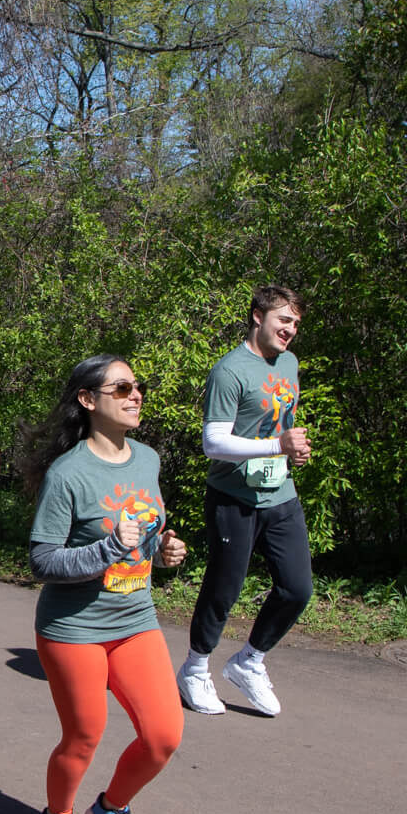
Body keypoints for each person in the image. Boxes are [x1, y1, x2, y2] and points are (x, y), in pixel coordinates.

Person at [24, 355, 188, 814]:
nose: (136, 395)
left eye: (137, 386)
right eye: (122, 388)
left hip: (136, 620)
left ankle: (112, 807)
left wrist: (163, 552)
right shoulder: (68, 474)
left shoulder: (148, 459)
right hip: (74, 628)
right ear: (89, 400)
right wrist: (106, 551)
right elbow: (42, 560)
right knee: (84, 734)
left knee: (163, 736)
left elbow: (146, 534)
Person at [178, 285, 313, 718]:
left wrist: (293, 448)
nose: (290, 329)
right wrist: (278, 445)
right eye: (283, 320)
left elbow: (279, 425)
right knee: (224, 588)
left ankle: (249, 661)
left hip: (280, 492)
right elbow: (213, 443)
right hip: (233, 496)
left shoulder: (289, 363)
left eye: (295, 323)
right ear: (258, 317)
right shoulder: (230, 370)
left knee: (297, 588)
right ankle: (196, 668)